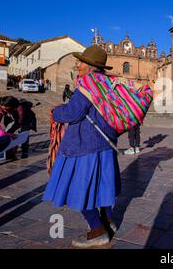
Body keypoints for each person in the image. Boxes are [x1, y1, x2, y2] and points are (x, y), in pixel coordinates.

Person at [42, 45, 120, 248]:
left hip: (85, 146)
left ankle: (97, 230)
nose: (77, 65)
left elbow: (73, 113)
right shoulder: (108, 83)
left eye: (80, 62)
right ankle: (109, 222)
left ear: (90, 66)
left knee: (78, 187)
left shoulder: (88, 83)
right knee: (103, 187)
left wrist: (56, 112)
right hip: (105, 144)